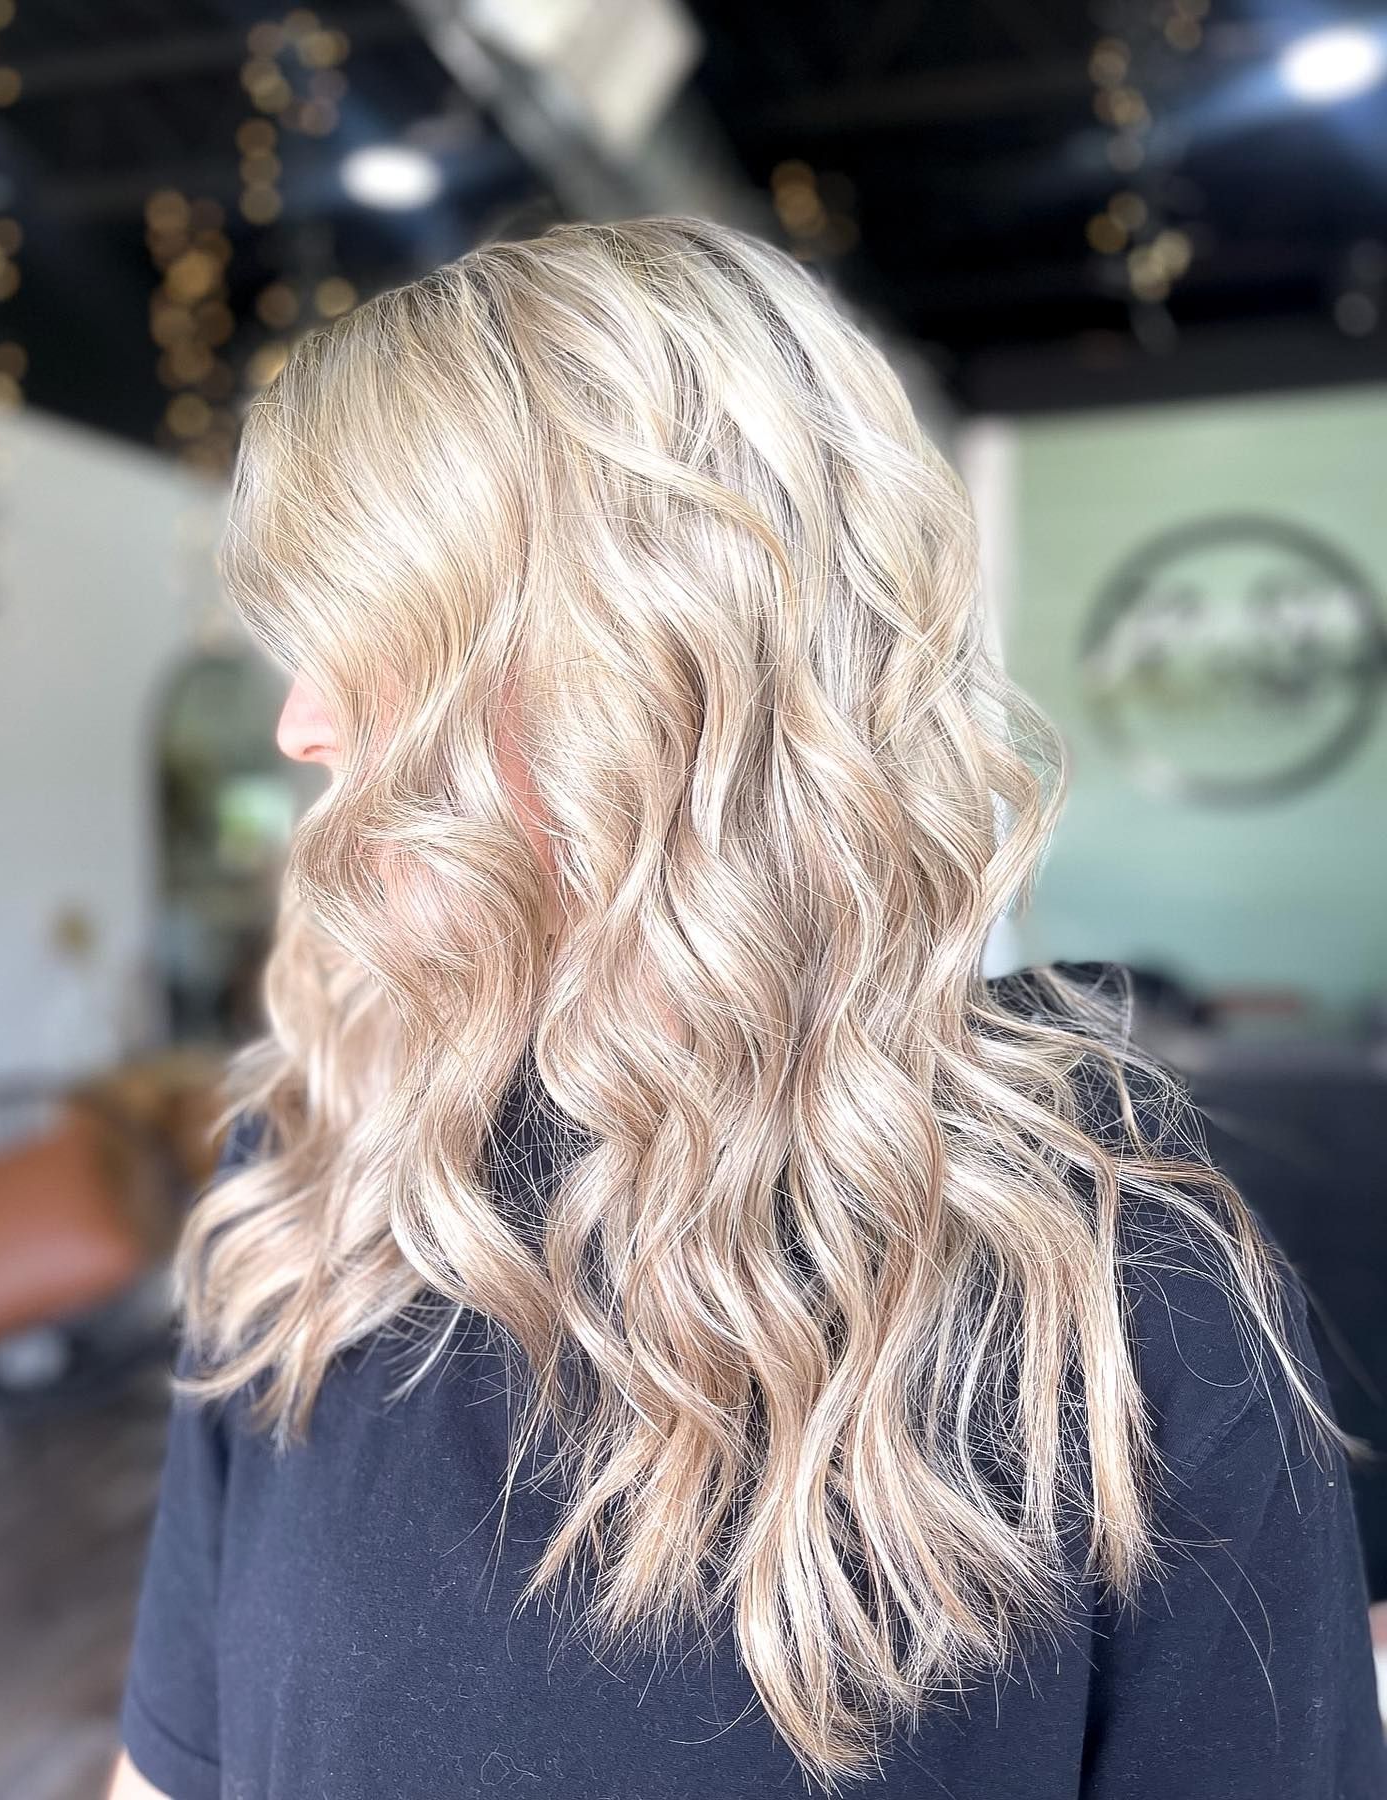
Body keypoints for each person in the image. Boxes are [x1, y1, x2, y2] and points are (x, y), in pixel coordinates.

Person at [109, 217, 1385, 1800]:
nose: (303, 725)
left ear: (664, 664)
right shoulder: (308, 1184)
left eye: (386, 651)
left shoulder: (1128, 1326)